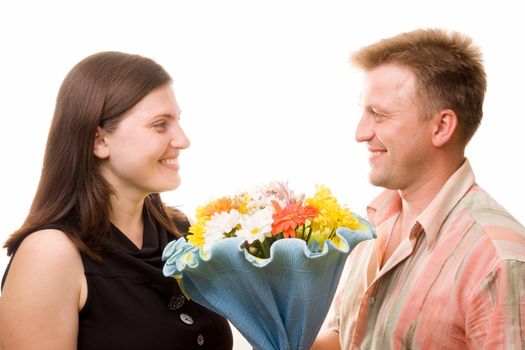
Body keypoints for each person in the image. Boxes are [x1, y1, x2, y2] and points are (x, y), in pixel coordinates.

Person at [0, 52, 233, 349]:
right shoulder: (49, 255)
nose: (183, 140)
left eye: (178, 121)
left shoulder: (179, 231)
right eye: (160, 124)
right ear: (99, 141)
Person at [312, 28, 525, 349]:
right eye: (364, 112)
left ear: (441, 127)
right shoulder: (371, 226)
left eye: (379, 114)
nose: (361, 132)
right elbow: (344, 338)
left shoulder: (497, 259)